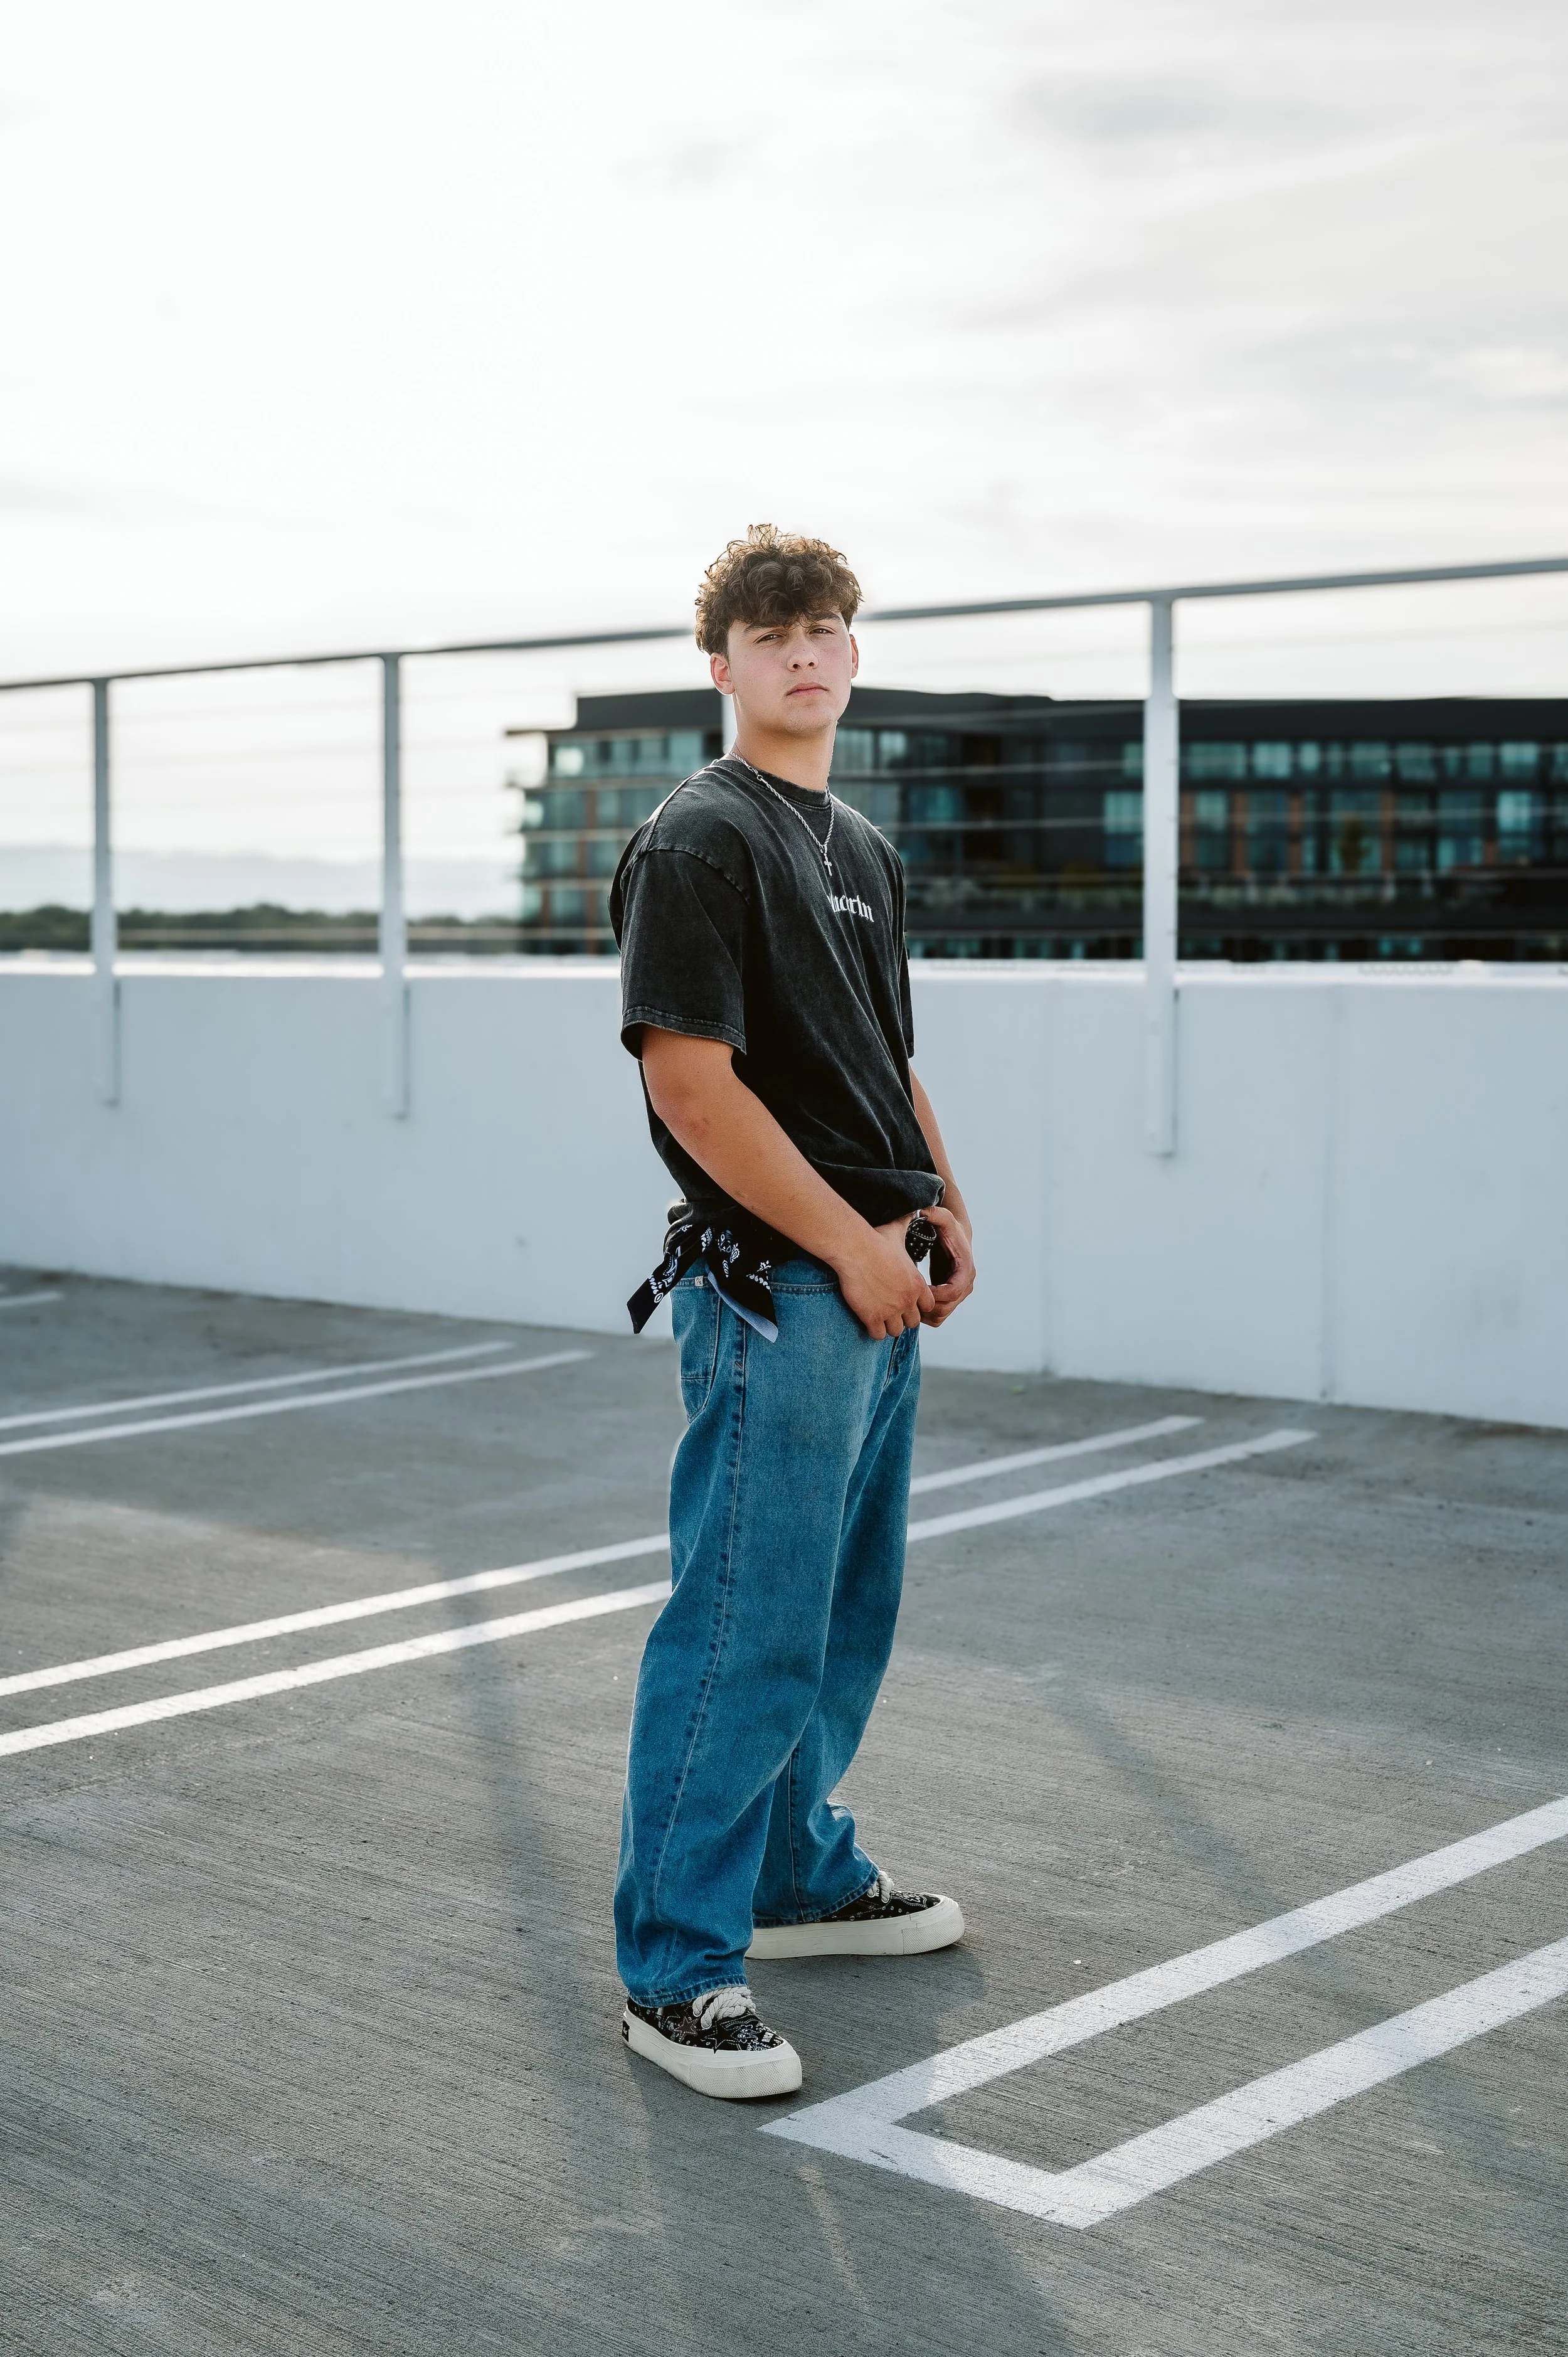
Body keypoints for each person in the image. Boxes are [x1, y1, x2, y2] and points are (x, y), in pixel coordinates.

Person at [609, 524, 977, 2100]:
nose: (805, 655)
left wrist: (942, 1207)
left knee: (841, 1612)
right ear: (722, 664)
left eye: (826, 628)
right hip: (784, 1287)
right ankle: (676, 1971)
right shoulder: (700, 839)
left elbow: (886, 1061)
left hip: (872, 1264)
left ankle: (792, 1876)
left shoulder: (859, 847)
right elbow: (690, 1085)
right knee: (742, 1624)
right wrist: (847, 1246)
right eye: (772, 635)